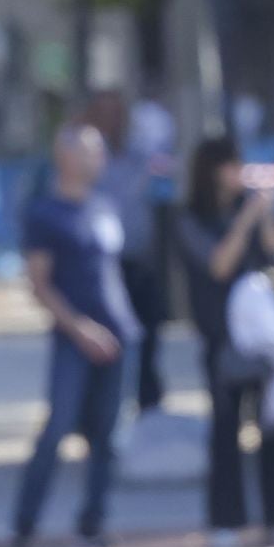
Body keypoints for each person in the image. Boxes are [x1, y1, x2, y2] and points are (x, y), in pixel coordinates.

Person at [10, 125, 140, 547]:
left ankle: (93, 520)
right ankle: (25, 524)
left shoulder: (104, 206)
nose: (97, 160)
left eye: (100, 152)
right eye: (88, 152)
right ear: (64, 156)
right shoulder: (45, 213)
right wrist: (79, 327)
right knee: (58, 428)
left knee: (108, 435)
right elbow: (39, 283)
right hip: (73, 338)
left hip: (119, 334)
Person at [175, 137, 274, 547]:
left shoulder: (250, 205)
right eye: (231, 165)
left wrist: (265, 217)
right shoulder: (192, 218)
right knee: (226, 430)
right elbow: (218, 264)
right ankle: (225, 520)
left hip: (260, 337)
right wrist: (245, 220)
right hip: (221, 337)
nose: (238, 173)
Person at [87, 90, 168, 412]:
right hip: (102, 270)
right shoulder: (87, 162)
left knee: (148, 338)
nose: (113, 122)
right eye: (105, 114)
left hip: (140, 264)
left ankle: (149, 408)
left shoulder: (142, 158)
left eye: (118, 115)